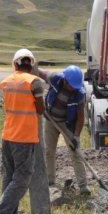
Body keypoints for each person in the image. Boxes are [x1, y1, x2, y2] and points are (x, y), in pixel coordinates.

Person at [0, 49, 45, 214]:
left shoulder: (7, 82)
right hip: (24, 137)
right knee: (22, 178)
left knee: (9, 176)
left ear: (15, 64)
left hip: (8, 135)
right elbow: (40, 110)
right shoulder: (34, 82)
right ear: (31, 64)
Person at [34, 64, 89, 195]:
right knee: (49, 151)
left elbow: (81, 118)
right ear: (65, 80)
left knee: (76, 153)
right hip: (50, 120)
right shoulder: (55, 78)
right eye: (72, 85)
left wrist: (76, 137)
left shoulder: (79, 94)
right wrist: (31, 66)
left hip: (68, 124)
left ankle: (83, 186)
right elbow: (39, 72)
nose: (74, 88)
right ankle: (50, 181)